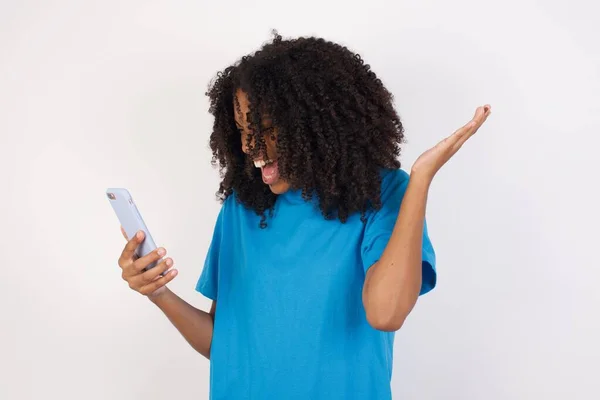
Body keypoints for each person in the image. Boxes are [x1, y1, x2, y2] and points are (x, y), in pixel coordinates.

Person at [116, 34, 491, 399]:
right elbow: (223, 341)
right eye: (244, 131)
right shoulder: (243, 207)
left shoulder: (384, 194)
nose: (251, 146)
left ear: (315, 125)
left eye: (264, 130)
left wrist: (420, 180)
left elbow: (386, 313)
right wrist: (159, 292)